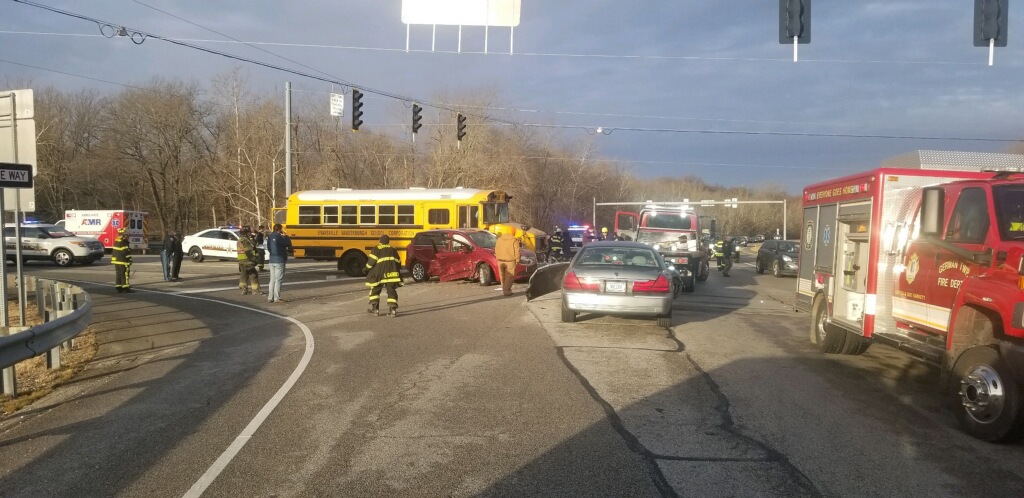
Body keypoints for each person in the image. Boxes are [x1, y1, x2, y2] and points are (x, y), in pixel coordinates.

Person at [365, 234, 403, 317]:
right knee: (391, 291)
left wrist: (365, 269)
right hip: (392, 275)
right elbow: (398, 262)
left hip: (379, 275)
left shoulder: (376, 249)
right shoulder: (393, 250)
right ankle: (392, 311)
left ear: (380, 241)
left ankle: (375, 310)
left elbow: (371, 262)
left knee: (375, 290)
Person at [266, 223, 293, 303]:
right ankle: (277, 298)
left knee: (272, 279)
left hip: (272, 259)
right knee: (278, 279)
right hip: (279, 259)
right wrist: (286, 236)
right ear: (280, 229)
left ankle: (270, 297)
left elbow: (269, 248)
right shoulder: (279, 237)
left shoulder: (270, 236)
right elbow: (288, 244)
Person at [236, 225, 262, 295]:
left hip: (241, 261)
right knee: (253, 275)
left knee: (244, 275)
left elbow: (254, 244)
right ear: (246, 232)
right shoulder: (245, 240)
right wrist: (255, 259)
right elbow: (248, 251)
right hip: (247, 261)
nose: (250, 233)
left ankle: (244, 289)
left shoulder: (240, 240)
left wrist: (252, 238)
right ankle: (255, 290)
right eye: (249, 232)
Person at [495, 229, 521, 296]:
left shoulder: (499, 239)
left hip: (500, 260)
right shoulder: (514, 240)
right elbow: (517, 251)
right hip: (510, 261)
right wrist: (517, 260)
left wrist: (497, 257)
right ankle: (507, 291)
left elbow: (496, 249)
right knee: (509, 277)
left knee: (502, 276)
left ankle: (504, 289)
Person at [111, 227, 133, 293]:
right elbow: (125, 253)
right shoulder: (124, 242)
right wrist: (129, 260)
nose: (128, 236)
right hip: (123, 261)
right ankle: (125, 288)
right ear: (124, 235)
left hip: (116, 261)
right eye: (127, 235)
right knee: (125, 274)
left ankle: (118, 287)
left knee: (118, 274)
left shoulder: (117, 241)